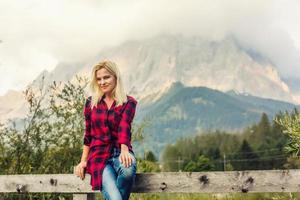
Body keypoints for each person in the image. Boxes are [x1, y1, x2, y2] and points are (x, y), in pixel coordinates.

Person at [75, 60, 138, 200]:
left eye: (106, 77)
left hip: (120, 151)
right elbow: (88, 133)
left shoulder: (129, 103)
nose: (102, 82)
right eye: (99, 79)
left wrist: (124, 150)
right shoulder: (91, 104)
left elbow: (124, 125)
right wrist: (83, 160)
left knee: (128, 171)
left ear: (115, 77)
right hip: (98, 156)